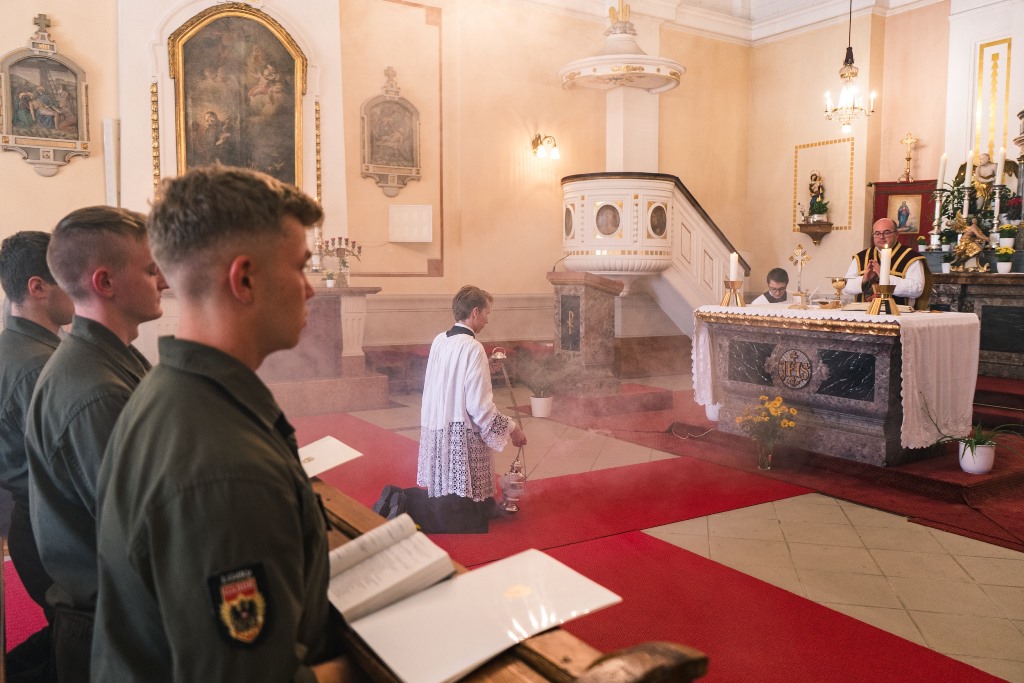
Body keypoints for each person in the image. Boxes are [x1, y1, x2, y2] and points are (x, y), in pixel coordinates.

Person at [92, 166, 355, 682]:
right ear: (245, 279)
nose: (310, 290)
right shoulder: (227, 471)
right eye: (300, 268)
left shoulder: (165, 389)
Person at [25, 206, 167, 682]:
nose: (164, 281)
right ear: (105, 282)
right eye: (151, 269)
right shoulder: (95, 390)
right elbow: (141, 535)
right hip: (114, 631)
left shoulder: (108, 356)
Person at [0, 231, 74, 681]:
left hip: (38, 528)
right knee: (80, 650)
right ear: (37, 287)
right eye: (67, 277)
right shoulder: (36, 365)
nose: (78, 287)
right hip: (53, 535)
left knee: (69, 639)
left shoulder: (21, 348)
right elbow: (71, 466)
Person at [406, 286, 527, 533]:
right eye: (487, 313)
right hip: (461, 428)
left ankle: (451, 506)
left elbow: (445, 380)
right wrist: (513, 428)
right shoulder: (473, 347)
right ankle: (465, 511)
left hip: (439, 423)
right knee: (467, 499)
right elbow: (479, 408)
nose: (487, 320)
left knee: (450, 487)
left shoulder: (440, 339)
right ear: (475, 312)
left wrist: (484, 367)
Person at [843, 217, 926, 306]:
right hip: (865, 312)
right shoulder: (861, 257)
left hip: (897, 312)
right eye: (877, 233)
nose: (881, 237)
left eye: (886, 232)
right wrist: (864, 279)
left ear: (896, 234)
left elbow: (917, 289)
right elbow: (846, 286)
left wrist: (885, 278)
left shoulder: (910, 257)